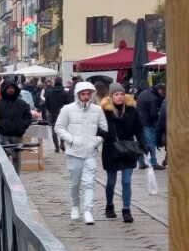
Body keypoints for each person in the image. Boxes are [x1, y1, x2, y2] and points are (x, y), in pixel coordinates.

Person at [55, 81, 108, 225]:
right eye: (83, 94)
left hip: (90, 151)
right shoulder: (67, 109)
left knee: (89, 182)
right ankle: (75, 206)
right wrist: (71, 139)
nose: (86, 97)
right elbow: (59, 127)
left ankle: (88, 210)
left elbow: (104, 129)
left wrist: (96, 141)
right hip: (73, 152)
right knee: (74, 183)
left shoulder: (97, 110)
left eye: (88, 94)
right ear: (77, 95)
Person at [101, 84, 148, 223]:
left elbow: (139, 129)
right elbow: (98, 128)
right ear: (111, 96)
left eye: (121, 94)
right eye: (116, 94)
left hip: (128, 148)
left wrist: (144, 144)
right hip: (111, 149)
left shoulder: (132, 110)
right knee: (111, 181)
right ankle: (109, 205)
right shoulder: (104, 112)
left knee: (126, 181)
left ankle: (126, 210)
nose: (119, 97)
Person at [0, 79, 33, 172]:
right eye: (8, 88)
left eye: (12, 88)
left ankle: (16, 175)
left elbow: (28, 116)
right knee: (4, 157)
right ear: (4, 89)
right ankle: (6, 175)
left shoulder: (22, 103)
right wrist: (0, 125)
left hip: (17, 134)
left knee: (17, 157)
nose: (10, 90)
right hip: (4, 134)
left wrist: (23, 125)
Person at [135, 82, 166, 169]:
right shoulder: (154, 98)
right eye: (164, 93)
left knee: (141, 142)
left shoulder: (145, 92)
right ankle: (154, 163)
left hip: (138, 122)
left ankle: (141, 162)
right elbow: (153, 115)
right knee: (151, 142)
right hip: (147, 123)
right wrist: (157, 124)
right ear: (160, 91)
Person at [44, 78, 72, 153]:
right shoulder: (65, 92)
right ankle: (62, 142)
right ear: (61, 82)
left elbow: (46, 104)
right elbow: (68, 103)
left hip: (53, 113)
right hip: (63, 113)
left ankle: (56, 147)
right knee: (63, 129)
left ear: (55, 83)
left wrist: (50, 110)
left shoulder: (49, 92)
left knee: (54, 129)